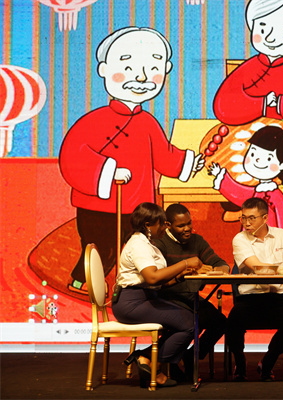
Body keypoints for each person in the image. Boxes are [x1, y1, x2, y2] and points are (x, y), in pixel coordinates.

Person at [59, 26, 204, 295]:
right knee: (101, 247)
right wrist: (107, 171)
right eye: (128, 67)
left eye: (153, 68)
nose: (141, 77)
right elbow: (72, 156)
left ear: (166, 70)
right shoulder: (92, 121)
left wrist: (186, 162)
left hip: (138, 205)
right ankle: (81, 281)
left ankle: (131, 287)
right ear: (104, 69)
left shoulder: (147, 122)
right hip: (99, 204)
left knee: (137, 247)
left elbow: (163, 155)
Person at [112, 202, 203, 388]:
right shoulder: (138, 244)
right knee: (189, 323)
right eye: (161, 224)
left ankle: (146, 357)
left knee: (190, 317)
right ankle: (153, 364)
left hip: (145, 298)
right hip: (131, 303)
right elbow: (152, 277)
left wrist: (179, 277)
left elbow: (156, 282)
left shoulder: (147, 244)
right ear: (148, 225)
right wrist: (185, 263)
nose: (164, 228)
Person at [227, 197, 283, 382]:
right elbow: (258, 267)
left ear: (265, 218)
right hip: (249, 297)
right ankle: (240, 363)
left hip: (278, 296)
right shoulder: (240, 239)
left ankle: (267, 363)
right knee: (233, 322)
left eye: (252, 218)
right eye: (243, 218)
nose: (246, 223)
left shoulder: (282, 235)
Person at [212, 0, 283, 128]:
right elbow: (222, 107)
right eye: (262, 29)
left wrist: (279, 103)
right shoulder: (248, 68)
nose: (270, 38)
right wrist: (263, 103)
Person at [153, 203, 230, 381]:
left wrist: (215, 270)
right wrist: (192, 270)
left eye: (189, 223)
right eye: (181, 225)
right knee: (192, 322)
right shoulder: (160, 243)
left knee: (220, 323)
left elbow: (221, 264)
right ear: (168, 225)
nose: (187, 228)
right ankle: (169, 360)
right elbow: (159, 278)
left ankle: (190, 356)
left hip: (191, 298)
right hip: (167, 299)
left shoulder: (197, 241)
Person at [208, 125, 283, 246]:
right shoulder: (259, 190)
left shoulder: (275, 195)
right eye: (252, 154)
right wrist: (221, 177)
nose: (257, 161)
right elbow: (240, 194)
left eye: (268, 158)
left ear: (282, 166)